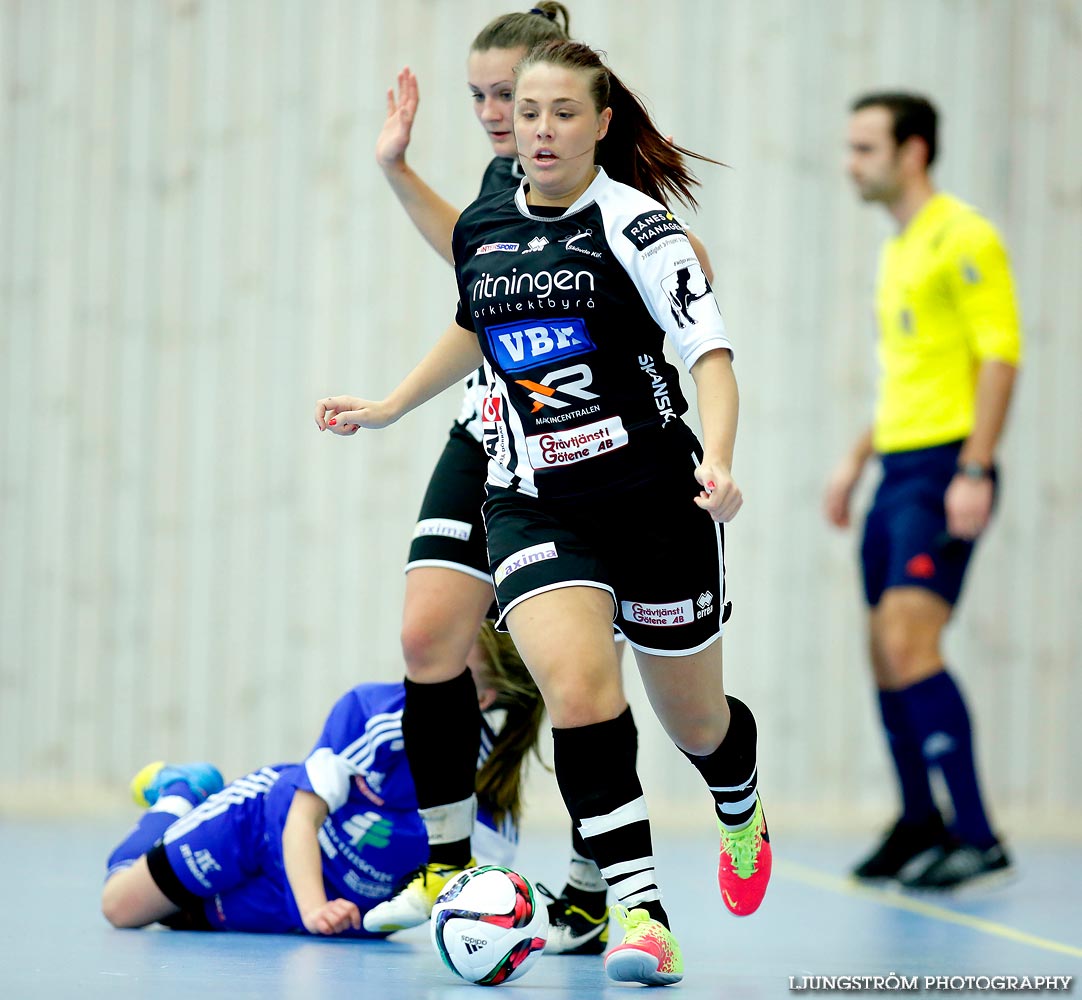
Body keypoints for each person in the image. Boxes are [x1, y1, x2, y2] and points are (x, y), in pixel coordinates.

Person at [316, 40, 770, 987]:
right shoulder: (486, 227)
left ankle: (738, 796)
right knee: (576, 692)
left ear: (603, 123)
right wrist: (393, 405)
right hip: (536, 502)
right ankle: (640, 915)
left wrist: (720, 461)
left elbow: (711, 361)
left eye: (564, 113)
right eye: (527, 114)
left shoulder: (639, 231)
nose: (541, 130)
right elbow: (476, 326)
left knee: (696, 724)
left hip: (656, 502)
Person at [824, 92, 1022, 890]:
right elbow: (907, 379)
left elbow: (1000, 357)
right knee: (883, 652)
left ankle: (979, 835)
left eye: (866, 149)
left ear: (913, 152)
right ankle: (919, 820)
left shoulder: (963, 235)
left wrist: (975, 467)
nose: (852, 165)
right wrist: (853, 460)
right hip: (897, 467)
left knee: (912, 645)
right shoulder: (899, 247)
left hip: (943, 469)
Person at [101, 623, 544, 936]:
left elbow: (471, 893)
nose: (432, 655)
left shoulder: (489, 785)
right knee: (121, 906)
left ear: (482, 698)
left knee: (178, 919)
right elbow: (301, 816)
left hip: (341, 910)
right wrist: (314, 908)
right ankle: (182, 792)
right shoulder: (373, 713)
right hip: (263, 830)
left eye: (454, 655)